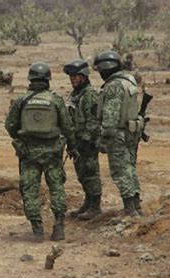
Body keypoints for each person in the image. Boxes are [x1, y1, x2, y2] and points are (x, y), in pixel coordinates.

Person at [5, 62, 78, 242]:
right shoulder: (55, 100)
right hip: (52, 152)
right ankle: (59, 227)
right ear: (48, 79)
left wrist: (21, 138)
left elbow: (10, 125)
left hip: (28, 153)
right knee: (56, 188)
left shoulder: (22, 100)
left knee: (30, 190)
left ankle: (37, 230)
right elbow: (67, 126)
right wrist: (72, 146)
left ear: (30, 79)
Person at [94, 50, 144, 217]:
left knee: (120, 171)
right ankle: (136, 206)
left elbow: (110, 116)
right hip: (131, 132)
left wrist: (103, 139)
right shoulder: (129, 81)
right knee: (130, 168)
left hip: (118, 135)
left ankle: (130, 210)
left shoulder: (114, 86)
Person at [63, 59, 103, 220]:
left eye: (76, 76)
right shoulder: (76, 94)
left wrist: (85, 139)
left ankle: (95, 206)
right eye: (71, 76)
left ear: (84, 77)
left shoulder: (90, 95)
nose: (73, 79)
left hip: (88, 142)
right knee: (82, 173)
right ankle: (88, 203)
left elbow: (94, 120)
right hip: (77, 140)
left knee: (91, 172)